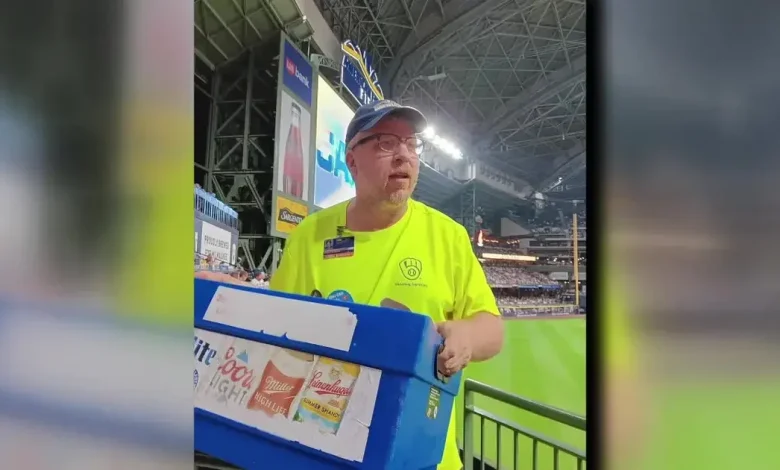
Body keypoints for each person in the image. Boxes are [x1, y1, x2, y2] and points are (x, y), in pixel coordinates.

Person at [197, 100, 504, 470]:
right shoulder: (311, 235)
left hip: (419, 458)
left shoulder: (448, 237)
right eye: (386, 143)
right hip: (318, 448)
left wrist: (466, 337)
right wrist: (230, 295)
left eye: (411, 143)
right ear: (352, 160)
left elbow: (492, 327)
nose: (403, 155)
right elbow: (272, 333)